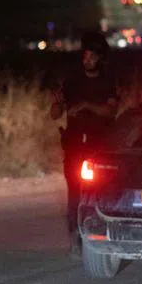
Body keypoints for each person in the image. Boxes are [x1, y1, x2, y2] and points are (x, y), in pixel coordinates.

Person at [50, 31, 119, 255]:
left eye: (91, 57)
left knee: (98, 191)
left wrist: (87, 106)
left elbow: (111, 110)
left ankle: (98, 234)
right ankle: (75, 235)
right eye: (85, 56)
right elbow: (55, 113)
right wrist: (58, 102)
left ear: (99, 58)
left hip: (98, 146)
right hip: (75, 145)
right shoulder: (72, 81)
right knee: (75, 193)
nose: (87, 60)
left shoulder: (107, 81)